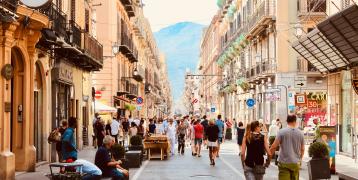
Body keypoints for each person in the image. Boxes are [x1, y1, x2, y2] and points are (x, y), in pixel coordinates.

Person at [270, 115, 305, 180]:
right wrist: (300, 159)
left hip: (284, 162)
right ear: (295, 121)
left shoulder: (281, 132)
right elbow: (302, 149)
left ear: (287, 121)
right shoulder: (300, 133)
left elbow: (273, 146)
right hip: (295, 162)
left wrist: (268, 159)